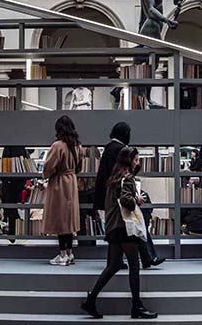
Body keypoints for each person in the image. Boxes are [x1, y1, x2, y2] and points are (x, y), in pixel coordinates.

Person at [80, 145, 157, 320]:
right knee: (134, 266)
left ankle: (90, 300)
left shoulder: (114, 178)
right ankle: (136, 307)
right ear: (129, 160)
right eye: (136, 160)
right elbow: (126, 200)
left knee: (113, 265)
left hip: (114, 228)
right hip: (125, 229)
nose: (138, 163)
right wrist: (137, 199)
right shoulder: (128, 178)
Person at [93, 122, 162, 267]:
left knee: (118, 229)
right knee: (136, 223)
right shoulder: (120, 150)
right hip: (118, 196)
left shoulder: (108, 148)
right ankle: (145, 257)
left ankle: (119, 261)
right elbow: (125, 173)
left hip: (109, 195)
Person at [43, 115, 82, 266]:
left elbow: (49, 167)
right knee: (69, 220)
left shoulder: (58, 146)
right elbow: (79, 167)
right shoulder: (77, 146)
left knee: (60, 219)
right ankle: (70, 253)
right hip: (71, 182)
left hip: (60, 183)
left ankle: (62, 254)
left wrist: (46, 176)